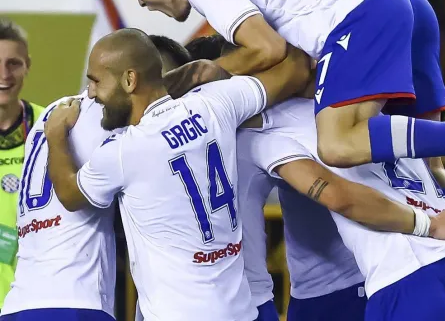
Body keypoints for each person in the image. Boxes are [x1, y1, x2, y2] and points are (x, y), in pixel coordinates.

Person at [113, 0, 445, 171]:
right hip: (400, 0)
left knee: (337, 145)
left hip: (362, 14)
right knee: (428, 171)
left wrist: (218, 70)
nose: (144, 6)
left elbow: (268, 48)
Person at [188, 36, 445, 321]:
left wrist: (429, 225)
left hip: (402, 281)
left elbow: (341, 197)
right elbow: (434, 168)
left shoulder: (267, 130)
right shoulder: (369, 98)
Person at [43, 28, 311, 321]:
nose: (92, 94)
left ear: (130, 80)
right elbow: (296, 70)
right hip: (239, 312)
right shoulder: (213, 104)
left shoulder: (124, 152)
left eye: (95, 81)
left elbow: (69, 195)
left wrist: (55, 134)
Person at [0, 94, 118, 321]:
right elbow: (70, 196)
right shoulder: (110, 111)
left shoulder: (49, 114)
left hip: (17, 304)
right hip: (74, 300)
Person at [0, 19, 44, 311]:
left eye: (13, 63)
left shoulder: (48, 127)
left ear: (28, 65)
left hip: (33, 299)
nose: (4, 74)